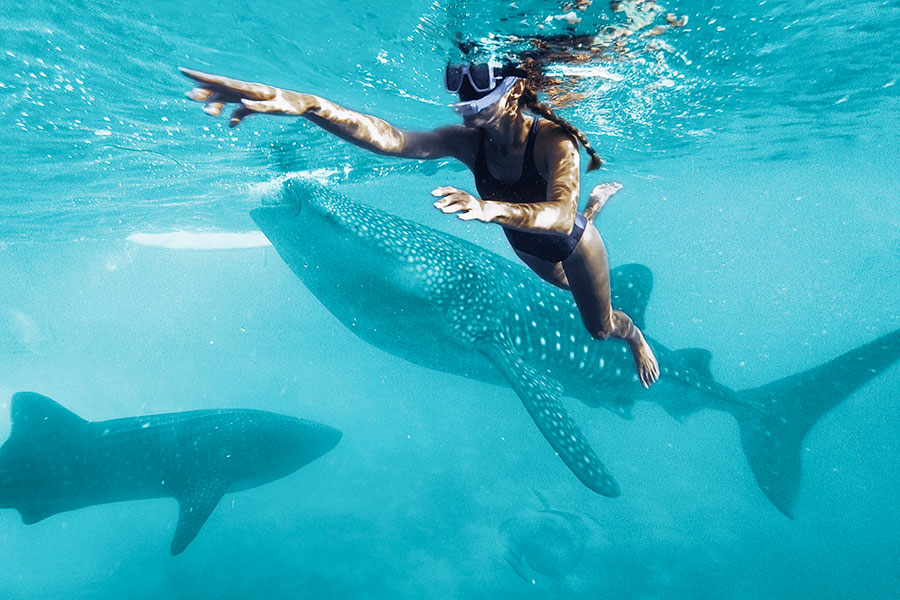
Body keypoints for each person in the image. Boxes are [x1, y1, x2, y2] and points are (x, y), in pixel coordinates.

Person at [180, 61, 660, 388]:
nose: (464, 104)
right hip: (528, 246)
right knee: (551, 271)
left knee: (599, 327)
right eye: (461, 94)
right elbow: (389, 139)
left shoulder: (554, 140)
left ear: (513, 90)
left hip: (570, 242)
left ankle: (633, 333)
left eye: (478, 93)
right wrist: (307, 105)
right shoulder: (468, 141)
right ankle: (593, 205)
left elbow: (557, 215)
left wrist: (490, 209)